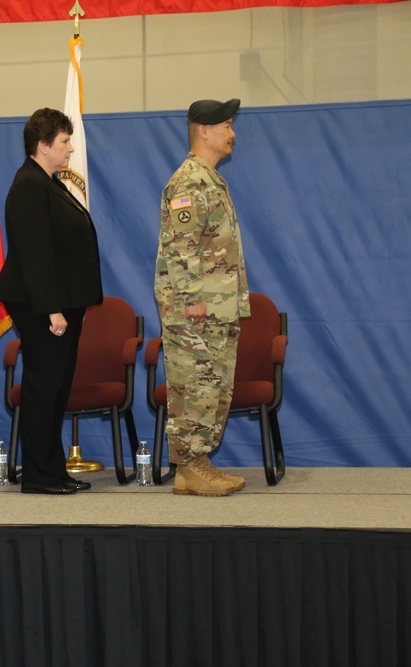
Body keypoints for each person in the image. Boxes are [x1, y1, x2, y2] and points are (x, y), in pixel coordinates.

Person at [0, 108, 103, 495]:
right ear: (42, 146)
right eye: (63, 142)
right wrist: (53, 309)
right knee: (44, 387)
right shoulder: (29, 184)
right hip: (41, 305)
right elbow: (33, 253)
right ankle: (39, 474)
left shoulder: (47, 182)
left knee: (56, 387)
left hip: (58, 303)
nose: (71, 148)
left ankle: (52, 469)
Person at [155, 98, 251, 497]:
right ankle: (189, 466)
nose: (232, 133)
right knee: (193, 387)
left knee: (211, 388)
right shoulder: (189, 182)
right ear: (204, 131)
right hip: (196, 309)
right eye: (226, 125)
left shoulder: (209, 179)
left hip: (218, 307)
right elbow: (182, 247)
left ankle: (197, 464)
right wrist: (193, 298)